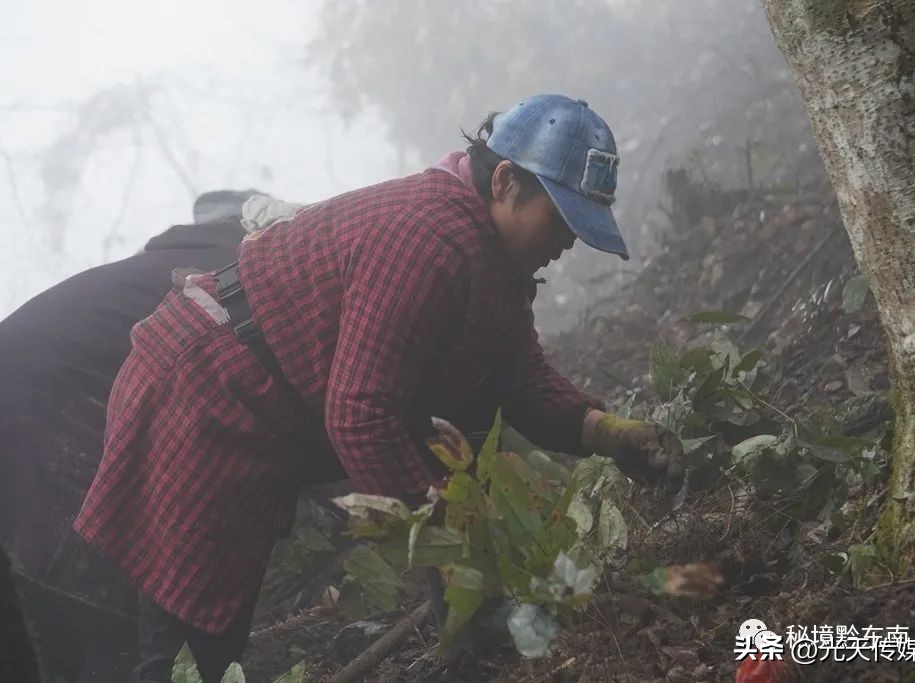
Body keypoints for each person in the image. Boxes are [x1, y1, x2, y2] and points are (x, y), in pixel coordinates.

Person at [75, 94, 686, 682]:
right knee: (194, 642)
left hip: (255, 401)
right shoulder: (426, 239)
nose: (569, 241)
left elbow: (517, 374)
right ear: (504, 182)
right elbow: (360, 414)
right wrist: (447, 544)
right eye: (560, 220)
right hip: (204, 395)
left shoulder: (491, 255)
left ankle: (474, 640)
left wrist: (605, 432)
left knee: (208, 630)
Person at [0, 189, 299, 683]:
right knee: (119, 621)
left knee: (45, 628)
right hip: (43, 421)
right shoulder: (245, 272)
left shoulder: (161, 266)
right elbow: (277, 405)